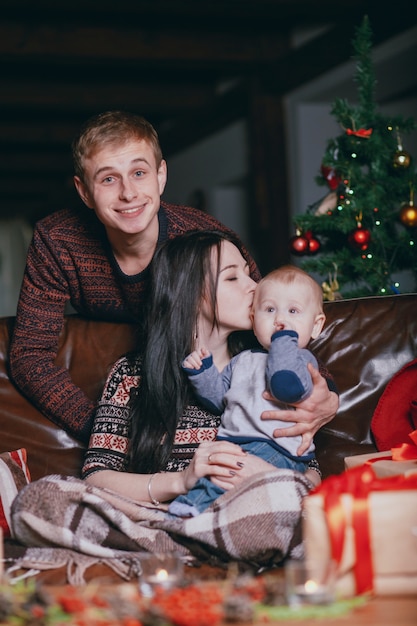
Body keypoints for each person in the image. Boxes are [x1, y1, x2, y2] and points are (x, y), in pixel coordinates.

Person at [9, 110, 337, 447]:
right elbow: (29, 354)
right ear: (84, 191)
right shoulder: (58, 241)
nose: (128, 193)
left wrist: (327, 394)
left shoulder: (205, 240)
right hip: (140, 391)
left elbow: (272, 312)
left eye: (139, 173)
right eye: (108, 179)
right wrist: (105, 430)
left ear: (161, 175)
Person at [82, 231, 337, 509]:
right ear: (188, 294)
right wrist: (181, 481)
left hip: (257, 514)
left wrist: (272, 479)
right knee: (51, 493)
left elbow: (310, 470)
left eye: (248, 273)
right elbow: (96, 477)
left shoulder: (266, 367)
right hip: (166, 517)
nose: (255, 286)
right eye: (231, 277)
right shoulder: (130, 375)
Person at [168, 265, 327, 517]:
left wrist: (283, 339)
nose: (280, 320)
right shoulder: (242, 360)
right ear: (254, 319)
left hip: (276, 448)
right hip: (236, 443)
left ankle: (191, 513)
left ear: (316, 326)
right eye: (270, 310)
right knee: (220, 477)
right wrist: (202, 372)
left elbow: (285, 387)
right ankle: (196, 514)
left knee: (227, 481)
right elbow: (219, 399)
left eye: (293, 311)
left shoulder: (302, 359)